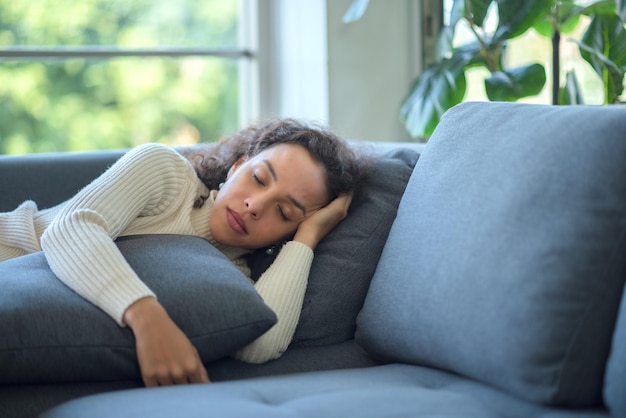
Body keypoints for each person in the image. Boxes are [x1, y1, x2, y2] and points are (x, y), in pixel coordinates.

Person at [0, 118, 369, 388]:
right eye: (258, 178)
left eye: (284, 212)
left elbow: (260, 345)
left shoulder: (232, 276)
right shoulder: (165, 173)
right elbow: (70, 229)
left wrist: (307, 238)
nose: (255, 205)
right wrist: (148, 319)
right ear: (237, 166)